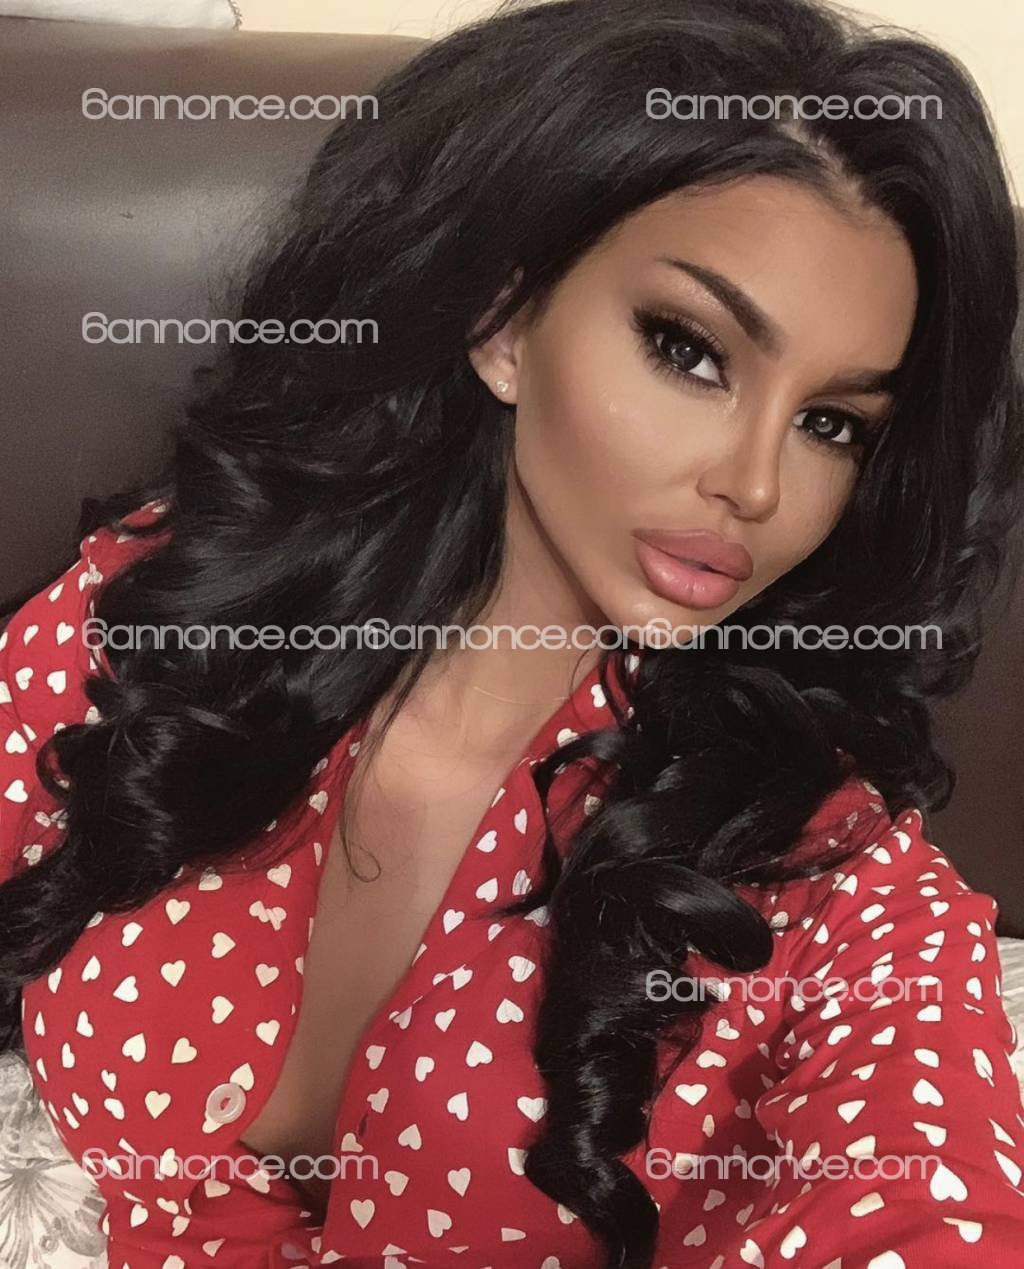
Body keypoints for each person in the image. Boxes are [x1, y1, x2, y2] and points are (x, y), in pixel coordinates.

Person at [2, 0, 1024, 1265]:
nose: (757, 486)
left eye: (832, 424)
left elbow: (928, 1188)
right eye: (689, 350)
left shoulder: (822, 875)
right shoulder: (161, 623)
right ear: (503, 323)